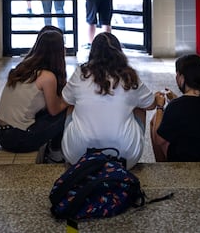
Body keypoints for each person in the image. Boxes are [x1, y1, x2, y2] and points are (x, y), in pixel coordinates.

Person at [61, 32, 160, 169]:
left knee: (71, 105)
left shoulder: (81, 73)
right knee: (139, 106)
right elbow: (150, 104)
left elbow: (65, 100)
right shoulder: (129, 77)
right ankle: (130, 144)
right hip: (126, 156)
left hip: (77, 156)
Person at [0, 30, 69, 160]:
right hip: (19, 139)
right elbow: (54, 110)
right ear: (57, 51)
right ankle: (55, 153)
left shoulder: (23, 67)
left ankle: (53, 150)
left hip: (0, 133)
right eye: (63, 45)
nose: (65, 48)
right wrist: (70, 98)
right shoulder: (47, 77)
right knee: (66, 111)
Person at [150, 54, 200, 162]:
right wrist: (175, 101)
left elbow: (158, 140)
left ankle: (163, 168)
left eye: (177, 74)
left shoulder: (176, 106)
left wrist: (160, 107)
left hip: (188, 164)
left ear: (182, 78)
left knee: (155, 121)